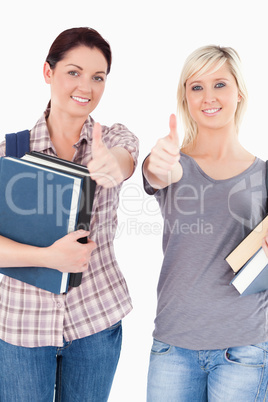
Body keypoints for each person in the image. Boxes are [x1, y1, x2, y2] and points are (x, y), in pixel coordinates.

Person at [0, 27, 139, 401]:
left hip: (95, 322)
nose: (86, 87)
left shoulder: (114, 140)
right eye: (73, 72)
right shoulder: (8, 154)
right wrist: (48, 258)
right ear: (49, 72)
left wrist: (113, 166)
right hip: (21, 330)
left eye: (98, 77)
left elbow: (124, 161)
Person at [143, 45, 268, 401]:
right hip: (173, 347)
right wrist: (160, 161)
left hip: (244, 349)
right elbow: (157, 172)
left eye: (220, 84)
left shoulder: (264, 174)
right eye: (196, 86)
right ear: (185, 96)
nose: (208, 97)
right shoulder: (170, 162)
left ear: (239, 92)